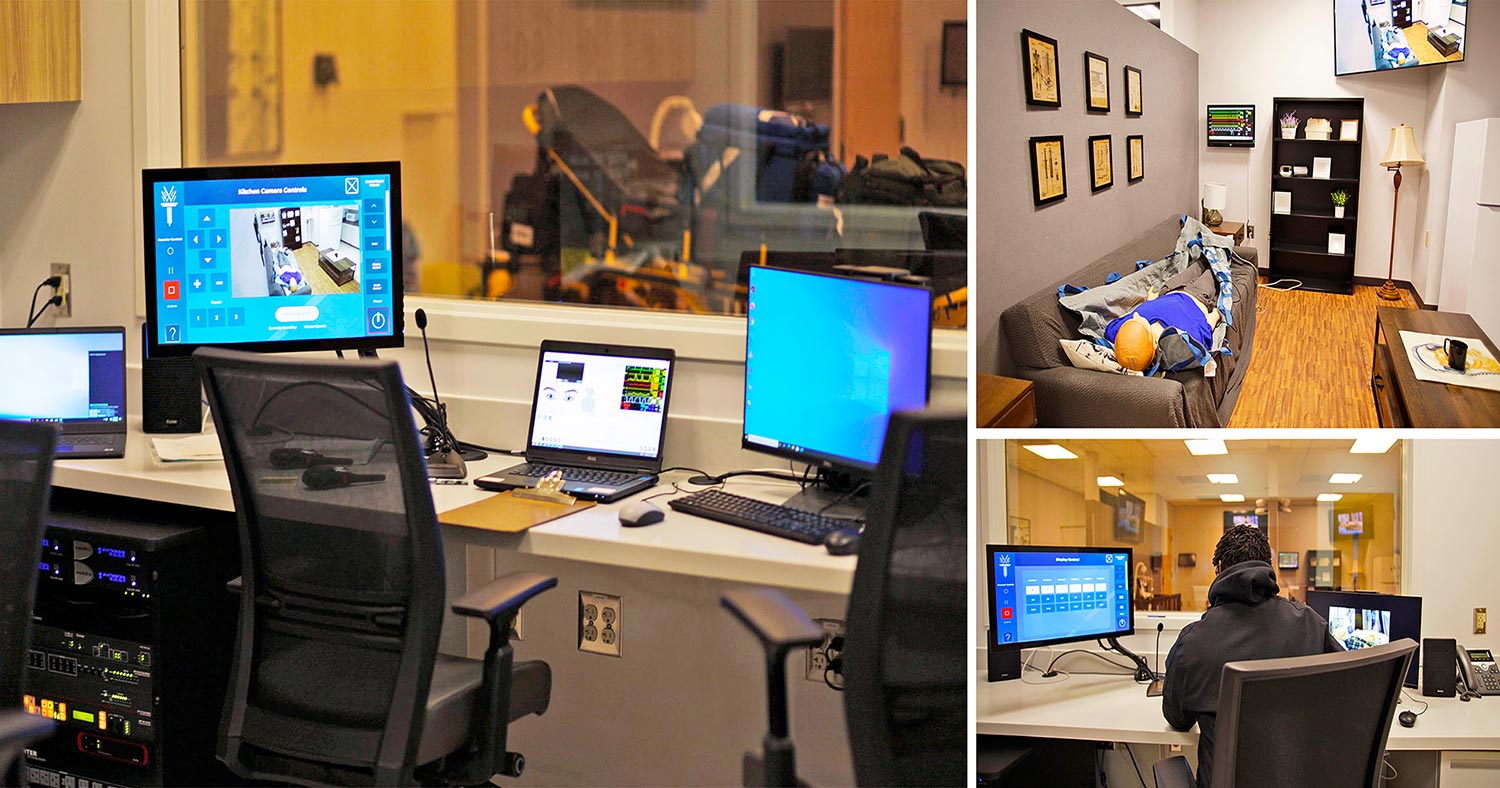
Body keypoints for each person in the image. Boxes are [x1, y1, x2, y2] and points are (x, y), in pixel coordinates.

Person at [1161, 524, 1342, 787]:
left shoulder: (1193, 643)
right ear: (1268, 567)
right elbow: (1348, 693)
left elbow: (1177, 717)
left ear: (1220, 568)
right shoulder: (1310, 626)